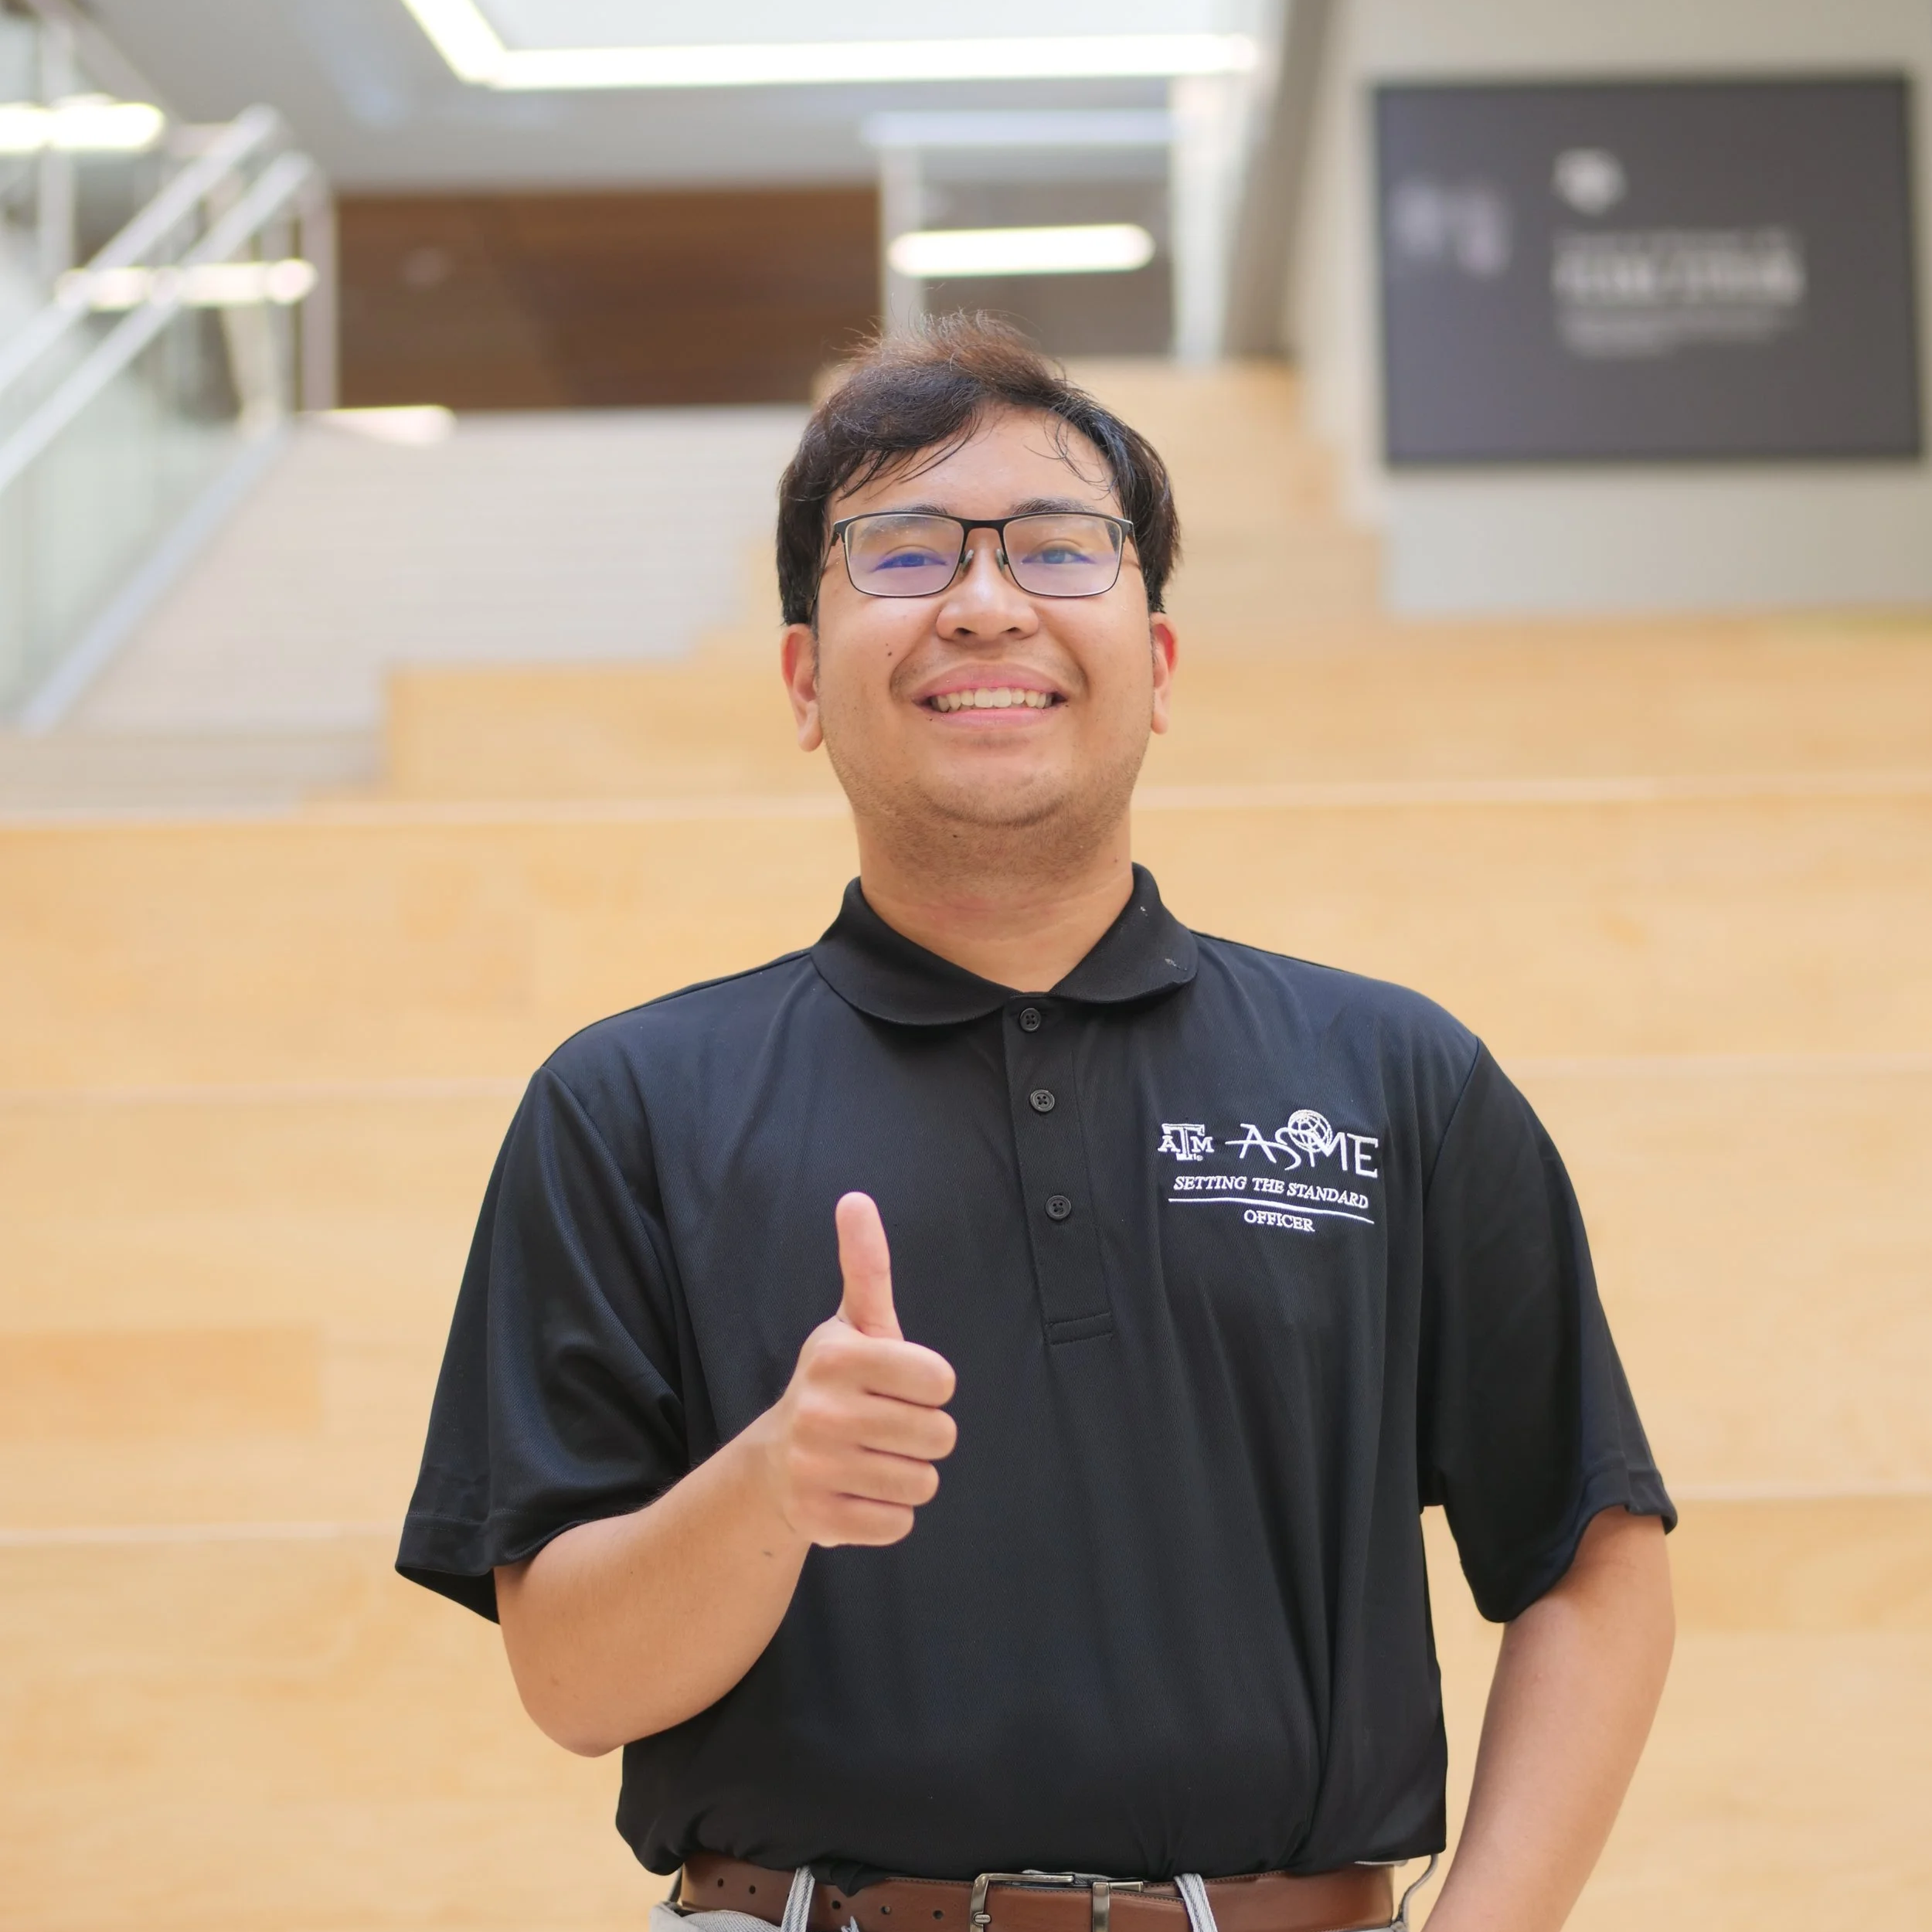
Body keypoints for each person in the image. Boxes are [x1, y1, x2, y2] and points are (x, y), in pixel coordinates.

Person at [398, 315, 1675, 1932]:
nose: (986, 599)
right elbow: (569, 1674)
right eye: (903, 549)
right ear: (803, 676)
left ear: (1156, 661)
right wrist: (776, 1481)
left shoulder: (1392, 1077)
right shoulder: (627, 1103)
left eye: (1059, 548)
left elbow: (1590, 1556)